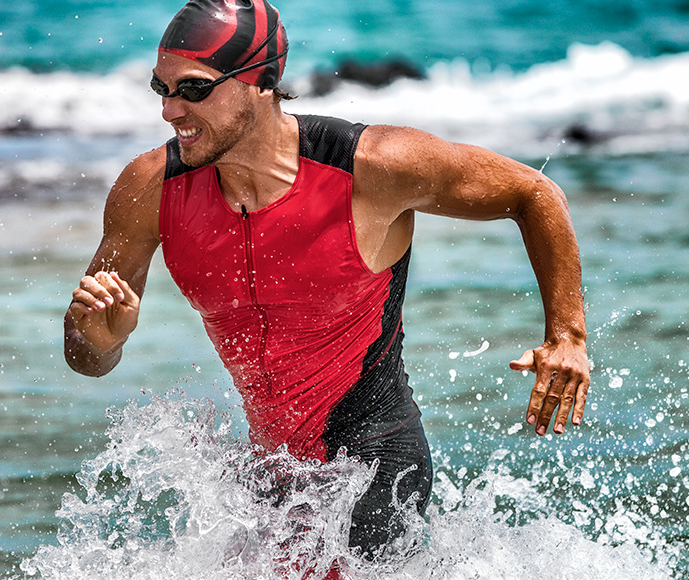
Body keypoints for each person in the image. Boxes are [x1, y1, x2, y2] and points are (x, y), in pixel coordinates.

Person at [64, 0, 590, 562]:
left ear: (262, 82)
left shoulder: (371, 167)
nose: (170, 110)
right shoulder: (150, 189)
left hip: (372, 467)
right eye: (160, 88)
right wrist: (100, 339)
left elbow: (533, 193)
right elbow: (85, 360)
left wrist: (568, 335)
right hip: (271, 481)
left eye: (193, 89)